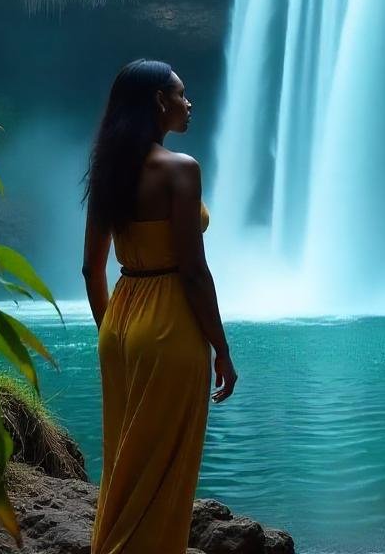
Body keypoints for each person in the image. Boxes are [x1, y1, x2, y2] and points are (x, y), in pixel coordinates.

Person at [82, 59, 238, 554]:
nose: (189, 103)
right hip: (170, 323)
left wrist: (116, 333)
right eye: (181, 93)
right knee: (164, 471)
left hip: (121, 319)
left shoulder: (109, 169)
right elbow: (193, 272)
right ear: (159, 103)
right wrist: (222, 350)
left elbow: (91, 268)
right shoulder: (180, 170)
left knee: (124, 461)